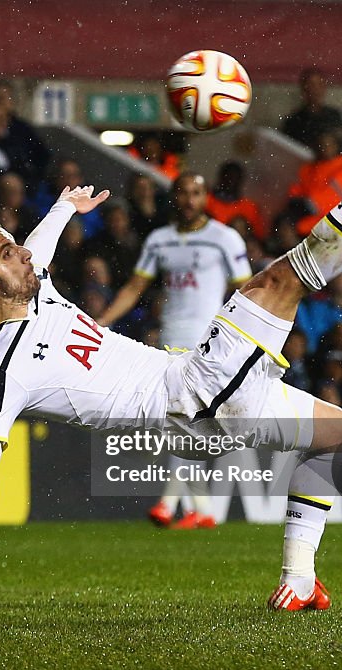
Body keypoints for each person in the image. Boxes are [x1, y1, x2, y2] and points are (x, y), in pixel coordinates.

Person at [0, 76, 342, 617]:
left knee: (332, 432)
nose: (22, 253)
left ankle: (299, 579)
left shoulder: (31, 283)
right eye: (6, 252)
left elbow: (37, 248)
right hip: (190, 399)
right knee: (278, 282)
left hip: (194, 401)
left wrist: (65, 208)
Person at [98, 172, 251, 529]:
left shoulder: (224, 239)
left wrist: (242, 338)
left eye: (196, 193)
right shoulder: (159, 240)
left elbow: (247, 291)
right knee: (183, 423)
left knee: (182, 421)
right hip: (169, 341)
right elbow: (135, 286)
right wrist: (103, 320)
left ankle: (168, 504)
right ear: (174, 197)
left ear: (205, 197)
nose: (188, 200)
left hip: (208, 342)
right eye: (183, 192)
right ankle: (203, 509)